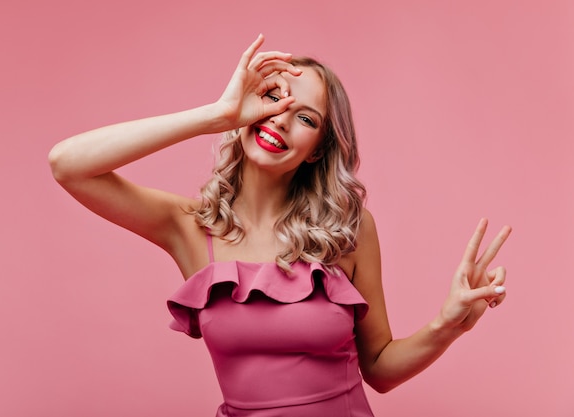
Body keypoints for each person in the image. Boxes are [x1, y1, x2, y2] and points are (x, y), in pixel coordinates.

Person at [48, 34, 511, 417]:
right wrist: (217, 116)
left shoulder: (348, 229)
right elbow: (68, 164)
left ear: (316, 150)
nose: (281, 120)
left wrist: (448, 326)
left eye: (305, 118)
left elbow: (381, 370)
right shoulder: (189, 228)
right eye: (272, 98)